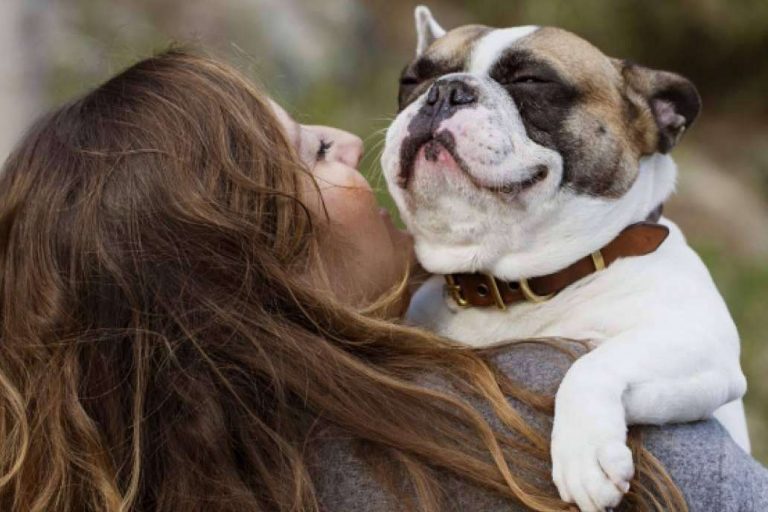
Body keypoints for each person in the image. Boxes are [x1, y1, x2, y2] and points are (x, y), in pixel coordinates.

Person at [0, 49, 765, 512]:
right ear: (253, 276)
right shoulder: (541, 417)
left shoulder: (112, 476)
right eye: (313, 152)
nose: (347, 138)